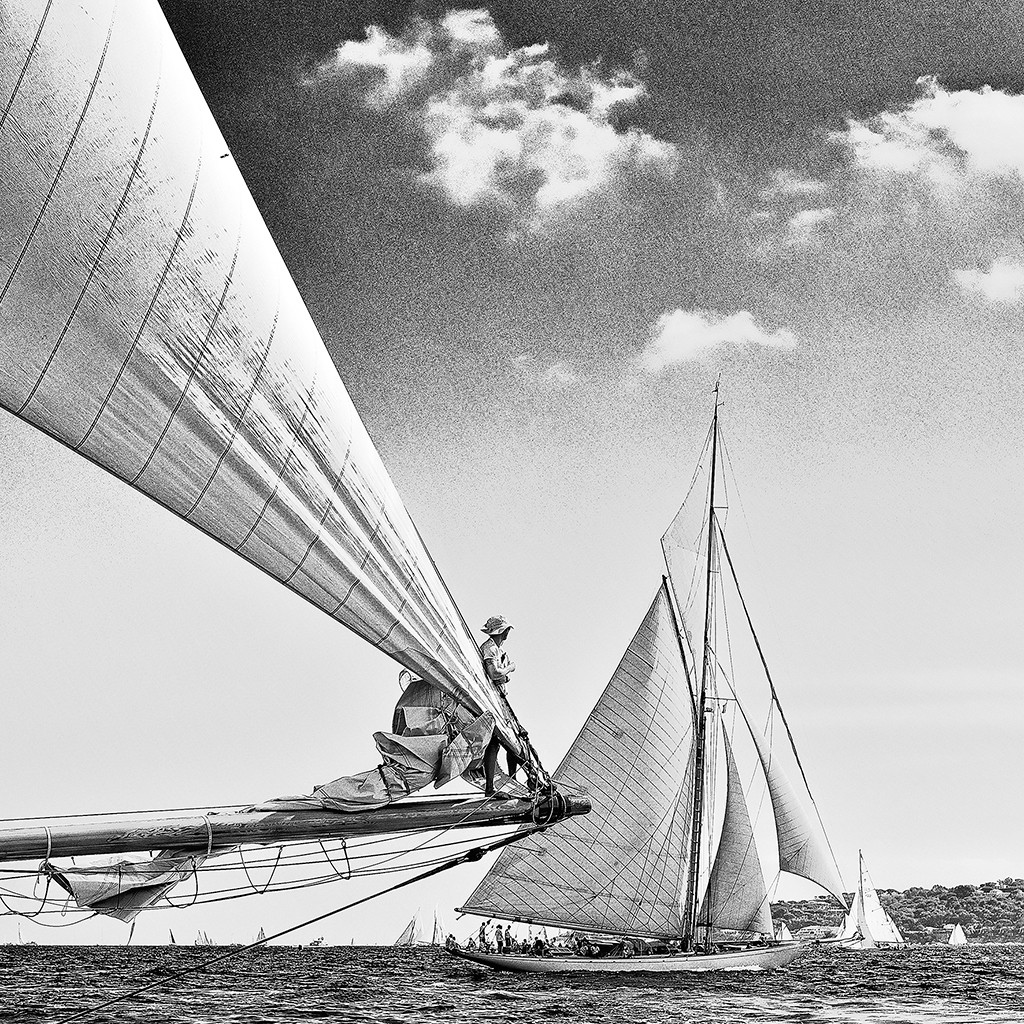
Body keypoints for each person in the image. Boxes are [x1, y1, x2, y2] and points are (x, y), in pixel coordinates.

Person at [479, 615, 521, 792]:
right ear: (502, 631)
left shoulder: (496, 650)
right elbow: (494, 673)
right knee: (500, 741)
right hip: (493, 700)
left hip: (499, 699)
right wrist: (509, 668)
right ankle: (492, 786)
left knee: (510, 741)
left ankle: (513, 780)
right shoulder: (490, 648)